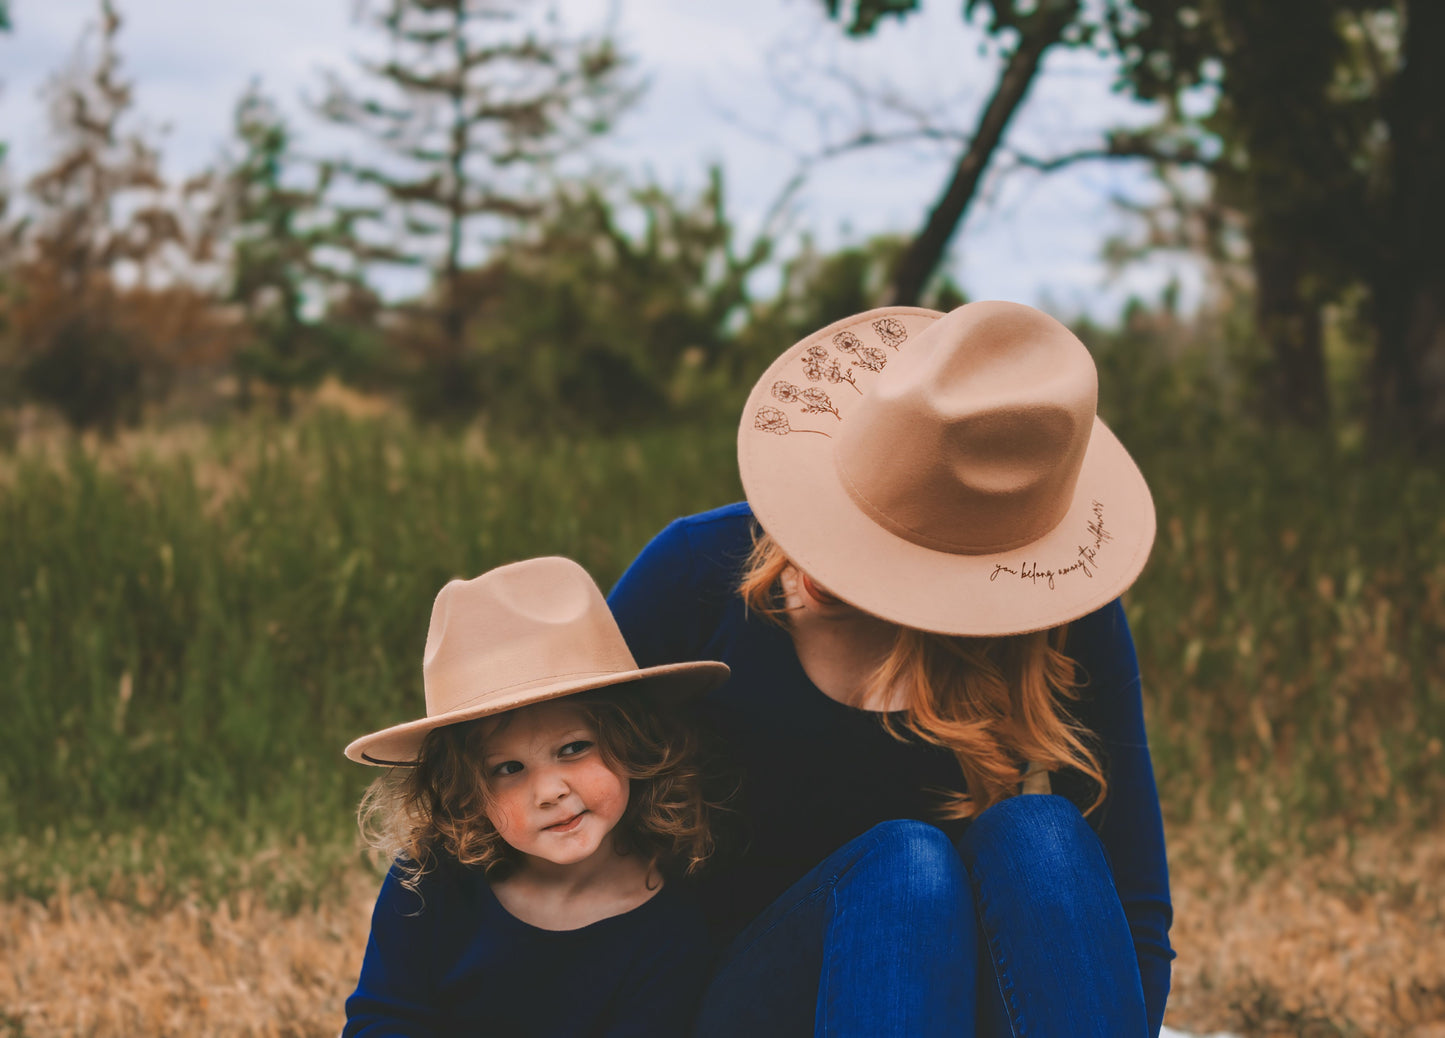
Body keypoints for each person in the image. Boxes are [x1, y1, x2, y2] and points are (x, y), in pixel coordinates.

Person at [608, 301, 1175, 1037]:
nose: (822, 565)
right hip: (752, 994)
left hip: (951, 996)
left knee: (1040, 833)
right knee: (906, 866)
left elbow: (1130, 887)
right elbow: (529, 776)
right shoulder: (691, 573)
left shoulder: (1053, 618)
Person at [341, 556, 730, 1037]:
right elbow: (380, 1020)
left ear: (633, 742)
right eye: (508, 769)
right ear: (467, 791)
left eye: (573, 748)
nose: (549, 791)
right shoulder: (430, 880)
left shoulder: (671, 932)